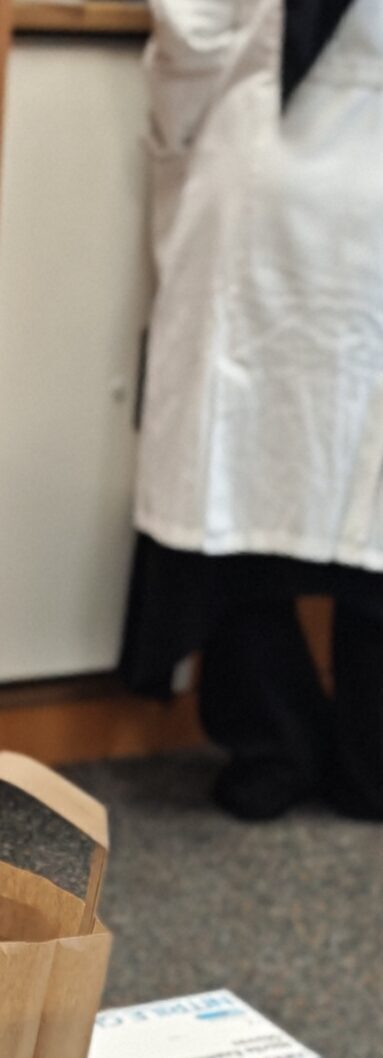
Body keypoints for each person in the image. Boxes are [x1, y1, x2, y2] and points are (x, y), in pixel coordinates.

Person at [121, 0, 383, 821]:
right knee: (369, 498)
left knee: (227, 478)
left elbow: (192, 31)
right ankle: (370, 763)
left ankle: (272, 748)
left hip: (263, 175)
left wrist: (174, 141)